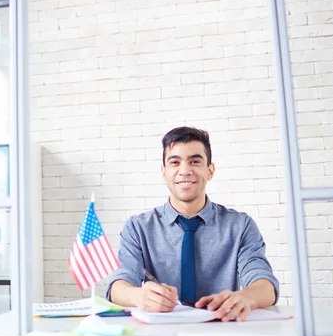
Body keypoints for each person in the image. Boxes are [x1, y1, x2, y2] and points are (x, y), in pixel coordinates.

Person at [106, 126, 279, 322]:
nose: (185, 171)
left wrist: (245, 298)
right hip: (160, 332)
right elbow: (118, 286)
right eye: (175, 162)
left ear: (210, 170)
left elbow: (265, 285)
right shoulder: (138, 228)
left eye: (195, 161)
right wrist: (138, 296)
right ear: (164, 172)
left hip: (222, 329)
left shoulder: (240, 226)